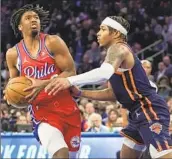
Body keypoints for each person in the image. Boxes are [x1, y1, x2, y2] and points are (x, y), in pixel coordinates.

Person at [45, 16, 172, 158]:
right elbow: (112, 93)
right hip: (136, 111)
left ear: (116, 33)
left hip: (149, 108)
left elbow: (103, 74)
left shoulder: (119, 48)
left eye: (103, 29)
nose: (98, 33)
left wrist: (69, 80)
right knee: (126, 155)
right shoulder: (113, 57)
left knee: (162, 154)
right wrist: (80, 93)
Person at [4, 4, 81, 158]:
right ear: (20, 26)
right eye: (28, 18)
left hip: (68, 108)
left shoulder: (53, 42)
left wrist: (43, 83)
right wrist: (11, 96)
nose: (34, 20)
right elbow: (14, 86)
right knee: (61, 153)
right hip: (42, 113)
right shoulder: (13, 54)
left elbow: (71, 71)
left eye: (36, 17)